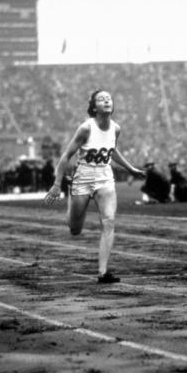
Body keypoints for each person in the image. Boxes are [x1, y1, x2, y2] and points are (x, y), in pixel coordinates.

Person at [44, 89, 145, 284]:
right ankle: (70, 197)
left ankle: (103, 272)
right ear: (93, 106)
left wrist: (130, 168)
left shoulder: (116, 128)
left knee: (109, 222)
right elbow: (66, 156)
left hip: (105, 180)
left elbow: (112, 150)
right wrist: (57, 184)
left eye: (109, 98)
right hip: (82, 180)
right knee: (75, 229)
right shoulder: (86, 128)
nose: (107, 100)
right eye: (102, 99)